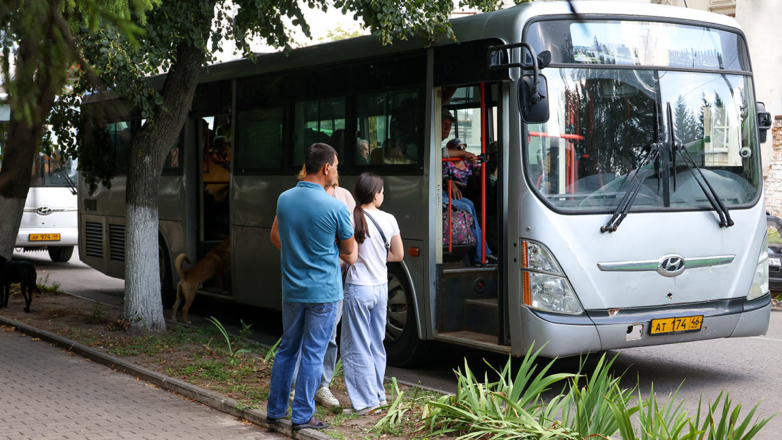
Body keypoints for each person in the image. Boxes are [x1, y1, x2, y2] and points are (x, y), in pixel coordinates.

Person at [266, 143, 354, 431]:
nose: (337, 172)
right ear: (326, 168)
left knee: (287, 350)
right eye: (337, 167)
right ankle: (302, 417)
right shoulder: (336, 207)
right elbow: (350, 253)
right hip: (325, 293)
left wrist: (297, 249)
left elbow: (276, 237)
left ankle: (275, 410)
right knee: (314, 354)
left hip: (292, 290)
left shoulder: (284, 199)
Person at [341, 172, 404, 415]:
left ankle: (366, 403)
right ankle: (378, 397)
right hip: (381, 288)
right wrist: (377, 258)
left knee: (356, 345)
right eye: (382, 191)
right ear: (375, 194)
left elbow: (349, 255)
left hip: (359, 288)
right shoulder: (389, 219)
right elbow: (397, 255)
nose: (383, 195)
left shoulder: (351, 217)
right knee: (376, 344)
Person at [442, 138, 496, 265]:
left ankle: (482, 251)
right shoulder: (446, 162)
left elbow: (479, 172)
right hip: (449, 193)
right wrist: (451, 183)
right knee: (466, 207)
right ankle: (481, 254)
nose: (461, 151)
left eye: (463, 148)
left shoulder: (468, 164)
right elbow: (443, 176)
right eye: (458, 149)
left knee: (471, 205)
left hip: (468, 192)